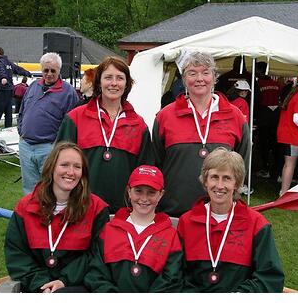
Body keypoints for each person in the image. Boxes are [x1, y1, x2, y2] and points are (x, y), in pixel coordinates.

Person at [152, 51, 250, 217]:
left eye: (205, 73)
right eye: (192, 73)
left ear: (214, 78)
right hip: (174, 212)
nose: (199, 78)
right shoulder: (165, 116)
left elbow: (242, 165)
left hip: (218, 214)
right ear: (184, 79)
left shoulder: (235, 117)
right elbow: (155, 162)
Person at [4, 142, 110, 293]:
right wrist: (41, 285)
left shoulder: (97, 208)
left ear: (83, 173)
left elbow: (97, 255)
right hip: (37, 287)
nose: (71, 172)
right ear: (52, 167)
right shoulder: (25, 207)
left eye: (77, 167)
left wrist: (64, 280)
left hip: (77, 286)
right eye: (64, 165)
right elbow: (17, 254)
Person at [177, 147, 284, 292]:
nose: (219, 186)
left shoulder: (257, 225)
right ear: (205, 181)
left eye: (227, 178)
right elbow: (176, 275)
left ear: (237, 183)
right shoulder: (186, 222)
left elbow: (270, 277)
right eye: (214, 177)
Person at [56, 56, 153, 213]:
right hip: (80, 208)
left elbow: (144, 172)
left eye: (120, 78)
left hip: (123, 212)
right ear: (99, 82)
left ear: (127, 84)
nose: (114, 83)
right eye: (108, 77)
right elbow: (58, 164)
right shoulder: (75, 118)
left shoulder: (139, 125)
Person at [84, 165, 183, 292]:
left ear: (160, 195)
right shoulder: (108, 230)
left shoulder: (171, 235)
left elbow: (171, 280)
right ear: (129, 191)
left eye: (151, 192)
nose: (144, 198)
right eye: (138, 191)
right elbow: (96, 274)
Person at [18, 52, 79, 195]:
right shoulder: (33, 86)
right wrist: (21, 131)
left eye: (53, 71)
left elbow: (72, 122)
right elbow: (22, 110)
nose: (49, 74)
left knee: (50, 186)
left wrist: (58, 145)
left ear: (59, 70)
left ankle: (50, 215)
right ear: (41, 70)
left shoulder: (68, 92)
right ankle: (31, 214)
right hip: (26, 146)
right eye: (46, 70)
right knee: (29, 187)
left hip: (48, 148)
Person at [0, 47, 31, 129]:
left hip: (2, 90)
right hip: (10, 91)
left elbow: (0, 70)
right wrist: (28, 73)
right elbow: (18, 69)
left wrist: (3, 77)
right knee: (8, 112)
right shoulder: (9, 63)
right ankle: (8, 129)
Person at [255, 62, 281, 180]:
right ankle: (277, 170)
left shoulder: (257, 83)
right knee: (275, 144)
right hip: (276, 115)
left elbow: (256, 100)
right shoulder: (276, 84)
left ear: (260, 71)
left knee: (264, 144)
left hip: (264, 115)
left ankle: (266, 169)